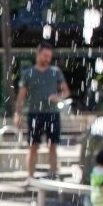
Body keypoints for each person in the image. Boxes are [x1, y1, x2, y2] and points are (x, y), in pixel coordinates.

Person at [14, 41, 70, 183]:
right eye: (45, 55)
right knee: (33, 146)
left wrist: (58, 96)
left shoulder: (55, 72)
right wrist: (17, 114)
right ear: (38, 54)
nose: (47, 59)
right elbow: (21, 95)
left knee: (53, 146)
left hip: (52, 114)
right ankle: (30, 177)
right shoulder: (28, 73)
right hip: (34, 114)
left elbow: (66, 91)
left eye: (49, 56)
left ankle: (53, 175)